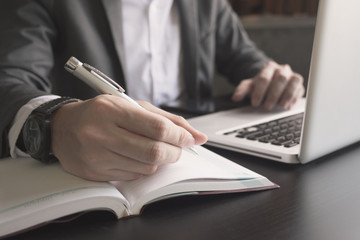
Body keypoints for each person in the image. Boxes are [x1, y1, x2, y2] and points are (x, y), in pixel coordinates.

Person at [0, 0, 305, 181]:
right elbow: (10, 82)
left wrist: (273, 77)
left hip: (202, 154)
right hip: (103, 170)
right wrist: (57, 123)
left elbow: (247, 61)